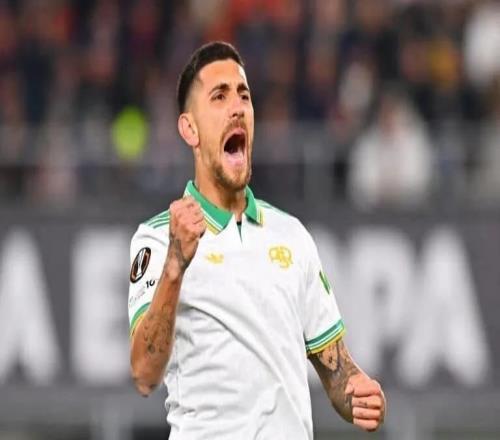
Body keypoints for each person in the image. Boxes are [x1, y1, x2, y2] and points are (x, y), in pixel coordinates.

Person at [128, 41, 385, 439]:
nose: (237, 107)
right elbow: (144, 374)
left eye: (243, 95)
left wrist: (359, 394)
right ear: (189, 128)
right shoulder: (158, 239)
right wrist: (175, 268)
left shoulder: (292, 236)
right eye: (219, 96)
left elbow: (336, 371)